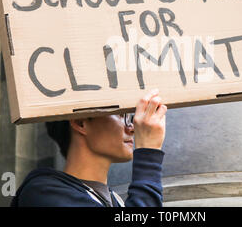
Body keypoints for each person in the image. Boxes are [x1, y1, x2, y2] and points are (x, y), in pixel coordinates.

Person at [11, 89, 167, 207]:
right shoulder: (42, 194)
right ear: (80, 123)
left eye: (130, 117)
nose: (132, 127)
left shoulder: (115, 201)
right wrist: (148, 153)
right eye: (121, 115)